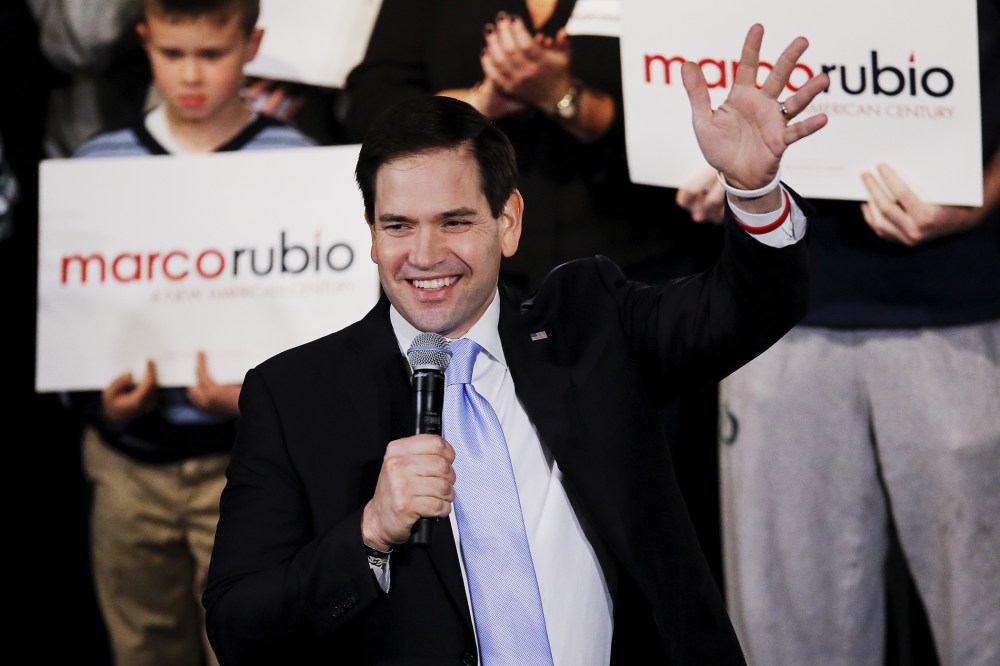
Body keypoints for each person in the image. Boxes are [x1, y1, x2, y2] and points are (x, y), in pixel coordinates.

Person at [203, 25, 830, 665]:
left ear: (508, 223)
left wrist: (753, 193)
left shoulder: (591, 326)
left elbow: (750, 307)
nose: (424, 257)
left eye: (454, 222)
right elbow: (239, 628)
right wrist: (369, 533)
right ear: (370, 234)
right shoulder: (294, 395)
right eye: (398, 226)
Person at [677, 3, 1000, 664]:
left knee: (984, 614)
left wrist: (982, 195)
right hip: (776, 311)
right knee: (786, 629)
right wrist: (718, 169)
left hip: (959, 310)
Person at [62, 2, 314, 665]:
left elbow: (325, 330)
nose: (192, 75)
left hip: (250, 467)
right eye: (172, 54)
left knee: (247, 644)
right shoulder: (97, 164)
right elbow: (72, 316)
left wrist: (264, 402)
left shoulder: (297, 164)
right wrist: (97, 402)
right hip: (127, 461)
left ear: (252, 43)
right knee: (142, 643)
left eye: (213, 53)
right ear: (144, 41)